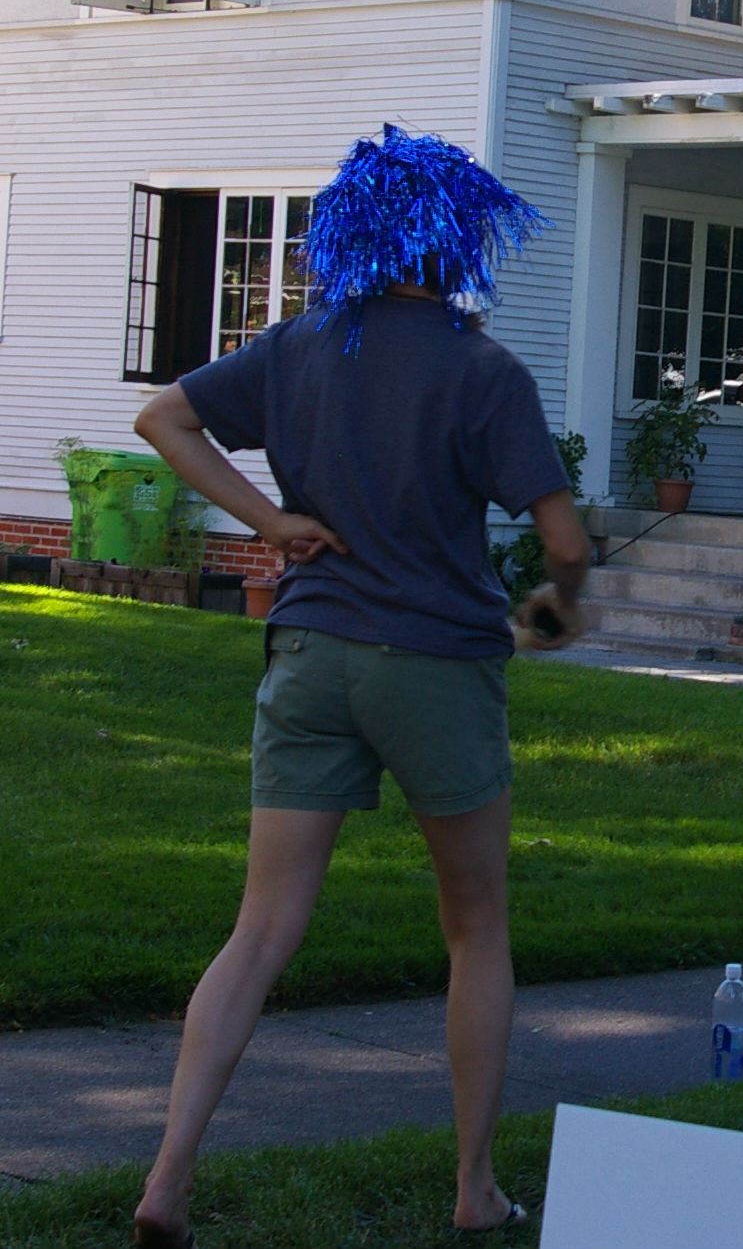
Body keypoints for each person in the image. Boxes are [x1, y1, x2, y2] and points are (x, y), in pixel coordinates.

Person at [130, 126, 589, 1247]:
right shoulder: (483, 369)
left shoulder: (300, 343)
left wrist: (272, 521)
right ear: (459, 235)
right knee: (475, 925)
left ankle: (167, 1180)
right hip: (436, 662)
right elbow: (566, 541)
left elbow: (162, 418)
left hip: (310, 652)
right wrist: (556, 599)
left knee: (260, 930)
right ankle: (475, 1189)